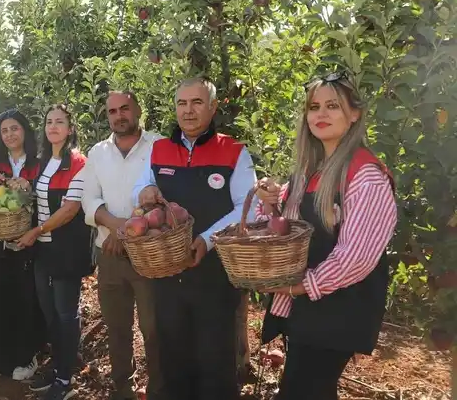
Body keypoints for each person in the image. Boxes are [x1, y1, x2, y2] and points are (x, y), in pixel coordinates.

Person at [255, 72, 397, 400]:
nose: (320, 114)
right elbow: (285, 229)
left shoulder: (365, 175)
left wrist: (298, 286)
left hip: (338, 311)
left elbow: (356, 258)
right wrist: (272, 203)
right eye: (314, 106)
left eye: (332, 105)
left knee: (302, 390)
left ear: (355, 113)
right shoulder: (310, 170)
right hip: (307, 309)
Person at [132, 77, 257, 400]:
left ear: (213, 107)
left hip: (214, 276)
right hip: (168, 275)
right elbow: (141, 187)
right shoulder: (159, 150)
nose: (188, 111)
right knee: (174, 359)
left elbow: (249, 207)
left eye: (197, 103)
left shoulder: (233, 151)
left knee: (215, 361)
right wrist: (143, 191)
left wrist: (205, 239)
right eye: (182, 103)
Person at [81, 91, 165, 400]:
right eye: (113, 111)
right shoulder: (98, 152)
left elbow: (162, 197)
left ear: (138, 109)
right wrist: (118, 227)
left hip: (150, 254)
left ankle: (158, 389)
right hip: (111, 254)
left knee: (153, 328)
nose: (119, 115)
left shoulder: (159, 146)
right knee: (117, 330)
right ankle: (123, 390)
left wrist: (129, 232)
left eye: (125, 109)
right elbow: (89, 199)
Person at [18, 104, 92, 400]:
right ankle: (58, 365)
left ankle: (65, 378)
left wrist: (36, 231)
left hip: (66, 250)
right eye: (49, 122)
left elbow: (71, 209)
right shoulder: (42, 162)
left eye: (60, 122)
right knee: (49, 312)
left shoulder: (79, 163)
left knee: (65, 313)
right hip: (43, 251)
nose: (53, 127)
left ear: (70, 129)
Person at [0, 109, 43, 382]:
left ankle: (27, 356)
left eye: (14, 128)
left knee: (25, 299)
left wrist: (28, 187)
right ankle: (0, 357)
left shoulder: (37, 161)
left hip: (28, 241)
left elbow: (44, 194)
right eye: (4, 131)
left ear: (24, 130)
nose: (10, 134)